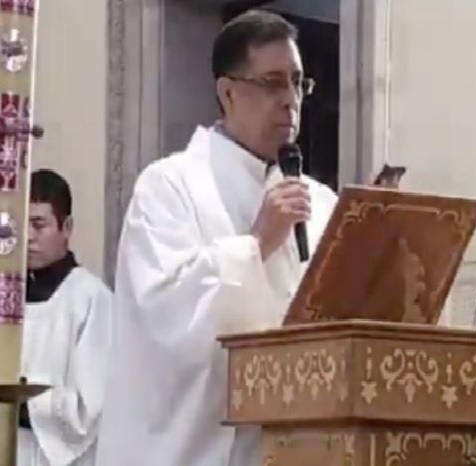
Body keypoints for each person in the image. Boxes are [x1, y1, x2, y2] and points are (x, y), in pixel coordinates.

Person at [95, 10, 337, 466]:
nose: (290, 100)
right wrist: (256, 244)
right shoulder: (167, 187)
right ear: (227, 92)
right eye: (272, 83)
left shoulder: (321, 202)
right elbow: (163, 316)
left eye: (298, 83)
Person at [17, 169, 113, 466]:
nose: (28, 236)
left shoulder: (91, 298)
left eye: (38, 224)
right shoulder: (8, 296)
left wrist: (19, 402)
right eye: (20, 223)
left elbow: (88, 408)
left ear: (66, 227)